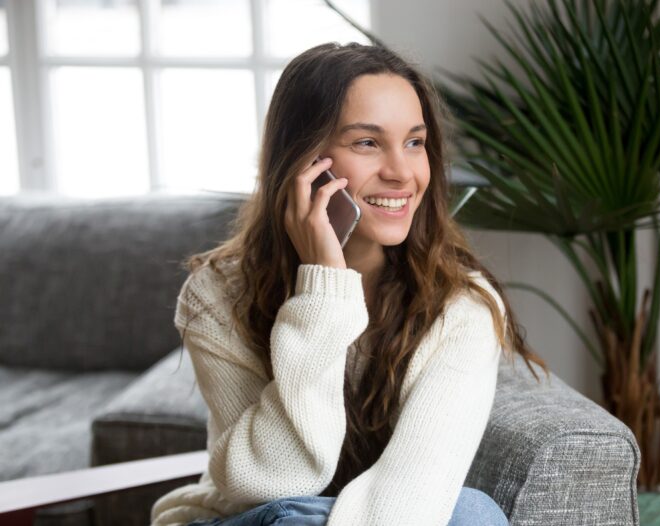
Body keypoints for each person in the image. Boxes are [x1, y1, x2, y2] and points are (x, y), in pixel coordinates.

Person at [150, 41, 548, 526]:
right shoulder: (216, 293)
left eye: (415, 142)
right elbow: (272, 482)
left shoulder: (462, 307)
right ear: (303, 162)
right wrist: (322, 290)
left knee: (472, 513)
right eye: (367, 143)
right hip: (242, 518)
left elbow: (410, 500)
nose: (402, 173)